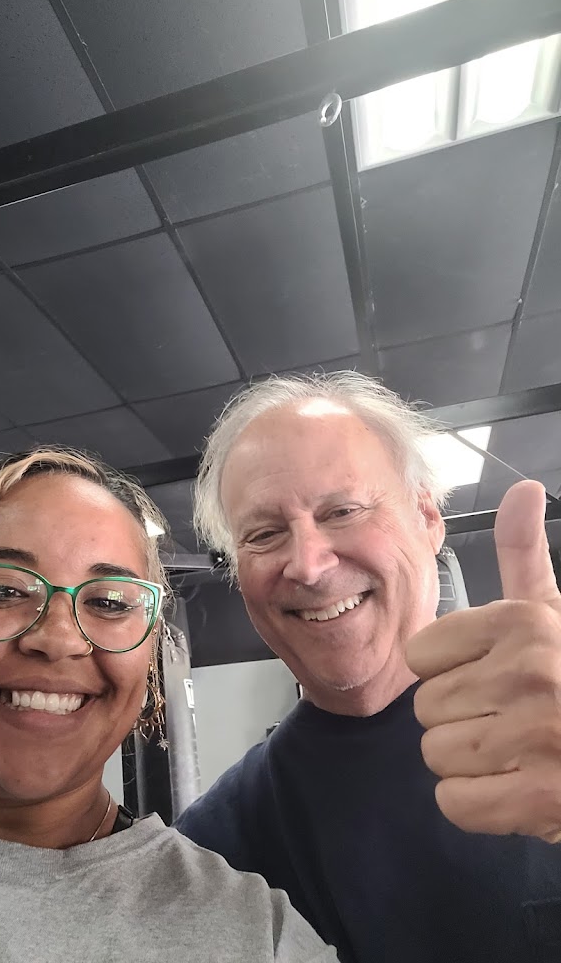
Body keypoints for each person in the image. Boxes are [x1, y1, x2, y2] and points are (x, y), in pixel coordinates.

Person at [0, 446, 336, 963]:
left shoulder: (255, 936)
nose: (58, 638)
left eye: (109, 601)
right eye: (2, 591)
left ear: (148, 658)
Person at [175, 371, 561, 963]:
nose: (308, 565)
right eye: (264, 533)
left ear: (427, 517)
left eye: (343, 510)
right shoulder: (216, 848)